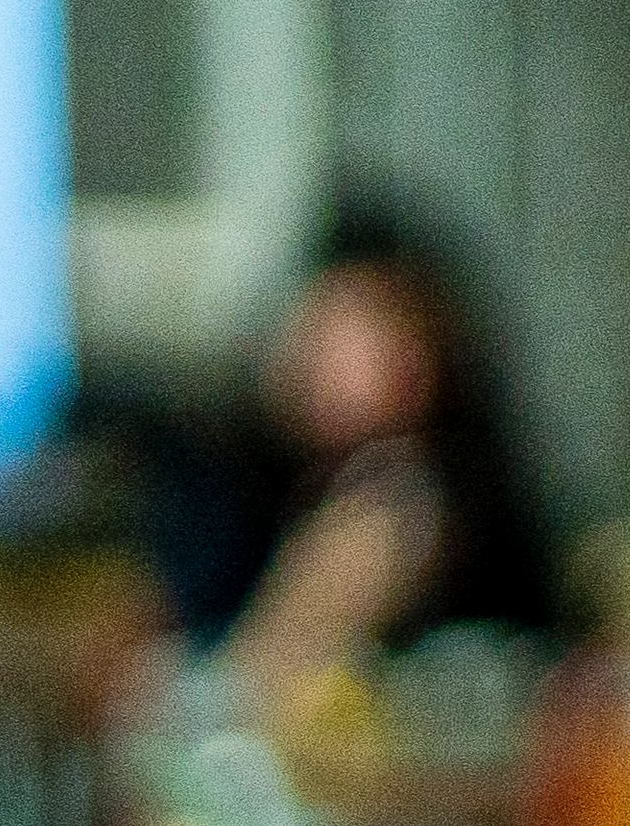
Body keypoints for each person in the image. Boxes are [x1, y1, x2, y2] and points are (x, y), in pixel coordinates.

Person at [189, 194, 574, 694]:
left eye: (360, 333)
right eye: (319, 327)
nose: (320, 357)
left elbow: (255, 680)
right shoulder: (248, 481)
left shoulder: (401, 502)